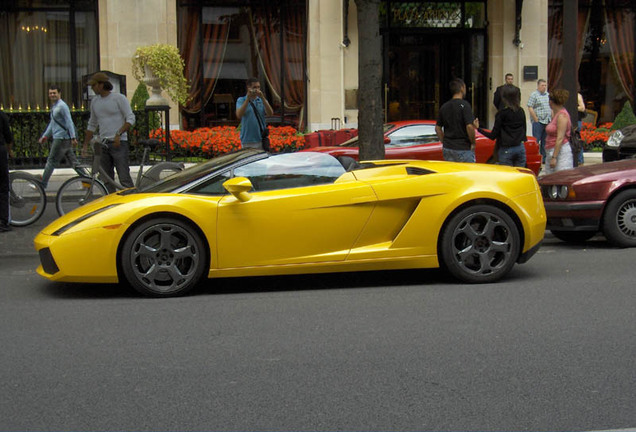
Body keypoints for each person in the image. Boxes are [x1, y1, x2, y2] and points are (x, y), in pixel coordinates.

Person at [82, 72, 136, 192]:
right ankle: (111, 202)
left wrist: (119, 133)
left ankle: (131, 200)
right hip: (103, 144)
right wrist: (85, 145)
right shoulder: (95, 102)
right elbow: (92, 124)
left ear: (101, 85)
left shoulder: (119, 98)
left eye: (94, 85)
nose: (92, 88)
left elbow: (130, 118)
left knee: (124, 177)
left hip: (119, 143)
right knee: (106, 178)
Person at [38, 85, 85, 189]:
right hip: (61, 137)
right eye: (50, 93)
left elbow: (69, 121)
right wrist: (45, 136)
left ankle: (42, 184)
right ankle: (87, 181)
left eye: (54, 93)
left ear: (59, 93)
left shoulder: (62, 106)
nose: (52, 95)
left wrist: (73, 137)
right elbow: (53, 123)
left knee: (51, 161)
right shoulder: (55, 106)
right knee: (73, 162)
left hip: (61, 138)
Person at [476, 85, 527, 167]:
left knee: (507, 176)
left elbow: (493, 135)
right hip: (520, 147)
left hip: (506, 148)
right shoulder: (521, 111)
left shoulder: (501, 114)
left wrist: (479, 129)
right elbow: (524, 130)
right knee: (520, 175)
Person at [435, 78, 476, 163]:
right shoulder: (465, 105)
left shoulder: (444, 107)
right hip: (463, 147)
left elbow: (438, 128)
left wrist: (444, 141)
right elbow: (469, 126)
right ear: (461, 88)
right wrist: (473, 142)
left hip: (448, 147)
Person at [236, 77, 273, 149]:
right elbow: (239, 115)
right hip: (247, 139)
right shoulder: (241, 100)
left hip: (260, 138)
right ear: (248, 87)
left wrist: (262, 98)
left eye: (258, 87)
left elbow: (270, 113)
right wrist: (247, 99)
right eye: (254, 87)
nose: (257, 90)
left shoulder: (261, 100)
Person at [544, 88, 573, 175]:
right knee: (550, 178)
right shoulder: (556, 114)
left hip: (561, 152)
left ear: (551, 102)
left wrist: (554, 157)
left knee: (560, 176)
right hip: (550, 149)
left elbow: (560, 138)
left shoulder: (562, 116)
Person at [527, 79, 551, 163]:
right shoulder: (534, 95)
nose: (544, 87)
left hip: (547, 121)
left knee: (545, 141)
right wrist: (535, 119)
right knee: (537, 140)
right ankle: (535, 157)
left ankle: (544, 158)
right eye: (542, 85)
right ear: (538, 86)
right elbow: (530, 106)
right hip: (538, 121)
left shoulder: (547, 95)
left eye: (545, 85)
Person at [0, 109, 13, 232]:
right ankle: (3, 222)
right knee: (3, 188)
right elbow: (8, 136)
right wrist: (10, 151)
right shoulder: (2, 115)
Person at [576, 91, 586, 166]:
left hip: (576, 120)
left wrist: (571, 107)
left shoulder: (578, 96)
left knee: (577, 140)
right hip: (569, 120)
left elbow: (582, 108)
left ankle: (580, 160)